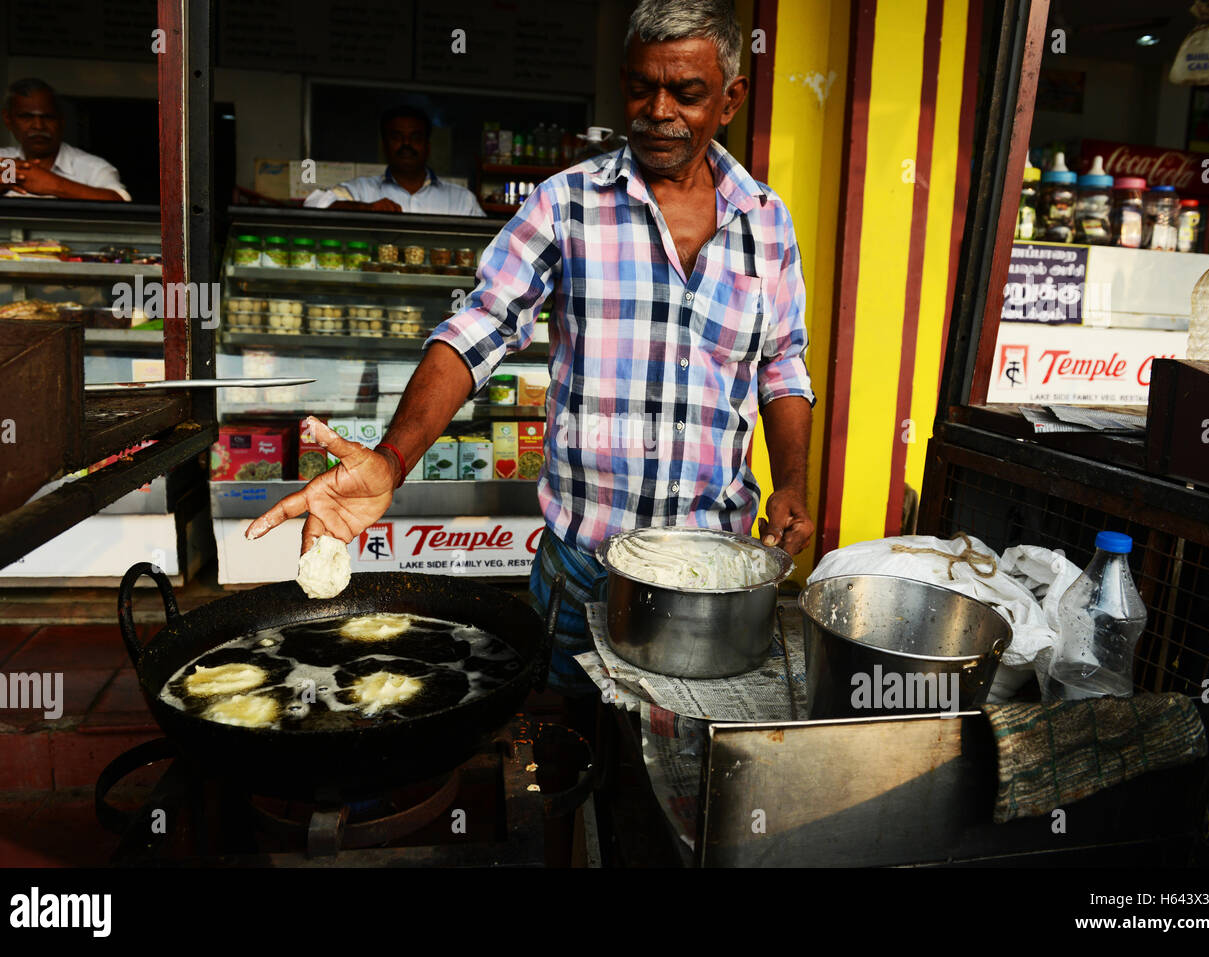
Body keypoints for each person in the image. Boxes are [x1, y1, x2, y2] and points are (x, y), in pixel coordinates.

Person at [248, 0, 814, 713]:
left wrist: (790, 479)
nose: (656, 110)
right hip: (584, 577)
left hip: (716, 581)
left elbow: (782, 363)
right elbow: (477, 330)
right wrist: (391, 458)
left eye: (686, 93)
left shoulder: (767, 222)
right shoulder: (567, 204)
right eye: (641, 87)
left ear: (730, 99)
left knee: (685, 783)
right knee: (564, 765)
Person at [0, 78, 130, 201]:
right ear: (8, 120)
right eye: (26, 117)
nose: (38, 126)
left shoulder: (92, 167)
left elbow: (120, 202)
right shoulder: (7, 162)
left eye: (48, 117)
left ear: (61, 121)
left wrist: (55, 185)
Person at [303, 105, 485, 216]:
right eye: (397, 137)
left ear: (427, 146)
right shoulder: (361, 191)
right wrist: (367, 209)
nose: (406, 144)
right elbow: (312, 205)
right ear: (384, 146)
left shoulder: (462, 200)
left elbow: (490, 249)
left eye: (415, 137)